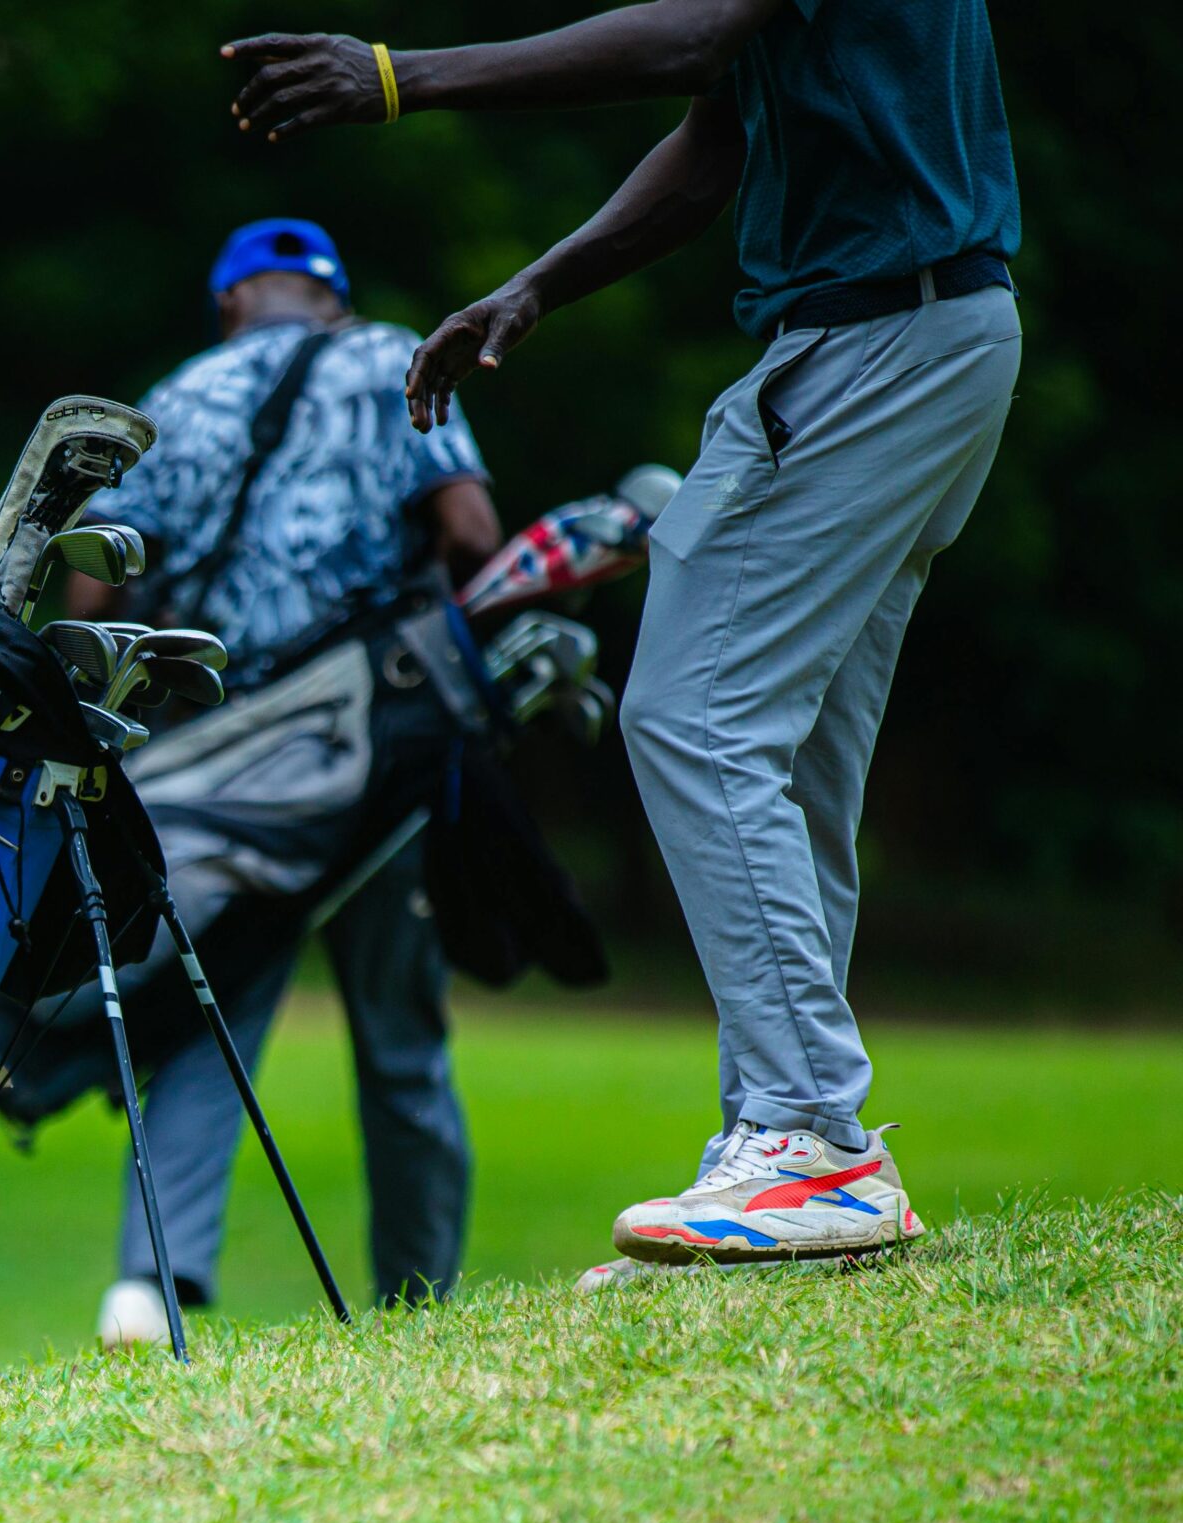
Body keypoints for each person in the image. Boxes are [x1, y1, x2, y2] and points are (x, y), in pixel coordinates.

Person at [220, 0, 1020, 1272]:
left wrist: (397, 74)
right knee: (791, 755)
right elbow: (717, 135)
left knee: (694, 714)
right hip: (932, 334)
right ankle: (783, 1164)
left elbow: (689, 42)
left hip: (875, 342)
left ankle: (815, 1136)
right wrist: (537, 286)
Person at [64, 218, 503, 1344]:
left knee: (215, 1010)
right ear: (333, 300)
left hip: (215, 766)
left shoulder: (180, 395)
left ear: (229, 305)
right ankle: (418, 1301)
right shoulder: (396, 360)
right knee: (399, 1034)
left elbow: (91, 591)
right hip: (373, 759)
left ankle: (148, 1285)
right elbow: (470, 534)